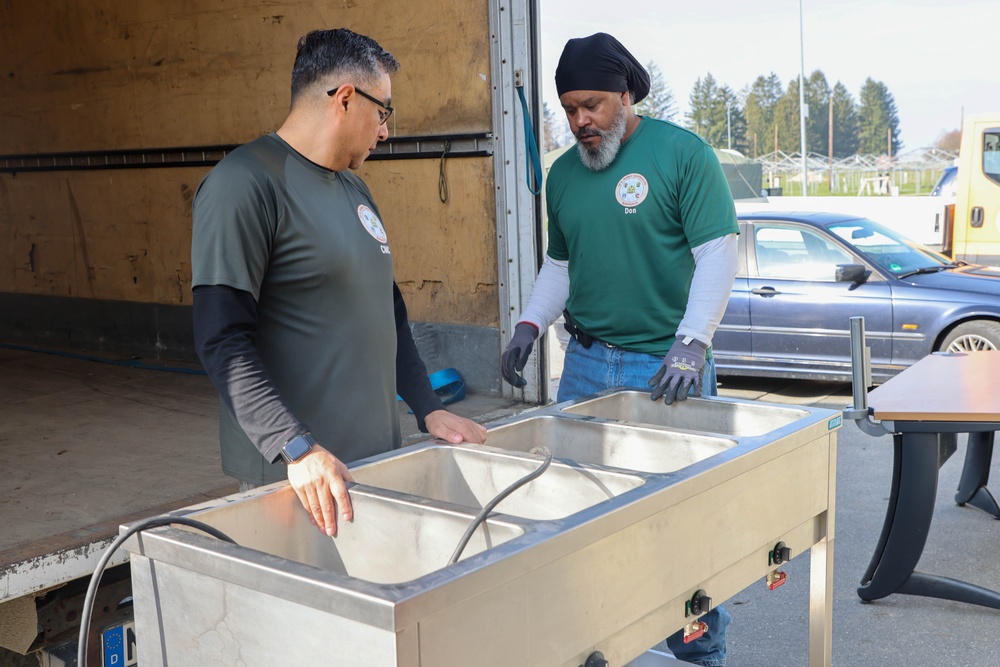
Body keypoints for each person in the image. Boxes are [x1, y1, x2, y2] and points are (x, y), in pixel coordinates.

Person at [500, 33, 739, 667]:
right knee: (577, 516)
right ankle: (596, 644)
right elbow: (561, 264)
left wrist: (692, 343)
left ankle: (698, 656)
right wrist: (529, 324)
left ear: (626, 95)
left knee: (679, 532)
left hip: (667, 369)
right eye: (570, 108)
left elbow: (718, 256)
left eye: (594, 105)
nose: (581, 121)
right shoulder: (563, 174)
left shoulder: (683, 155)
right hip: (585, 365)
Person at [191, 28, 486, 539]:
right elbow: (221, 339)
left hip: (369, 466)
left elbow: (385, 310)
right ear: (346, 99)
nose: (385, 131)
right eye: (384, 112)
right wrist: (295, 446)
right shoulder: (244, 184)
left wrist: (428, 407)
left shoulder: (355, 189)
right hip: (298, 480)